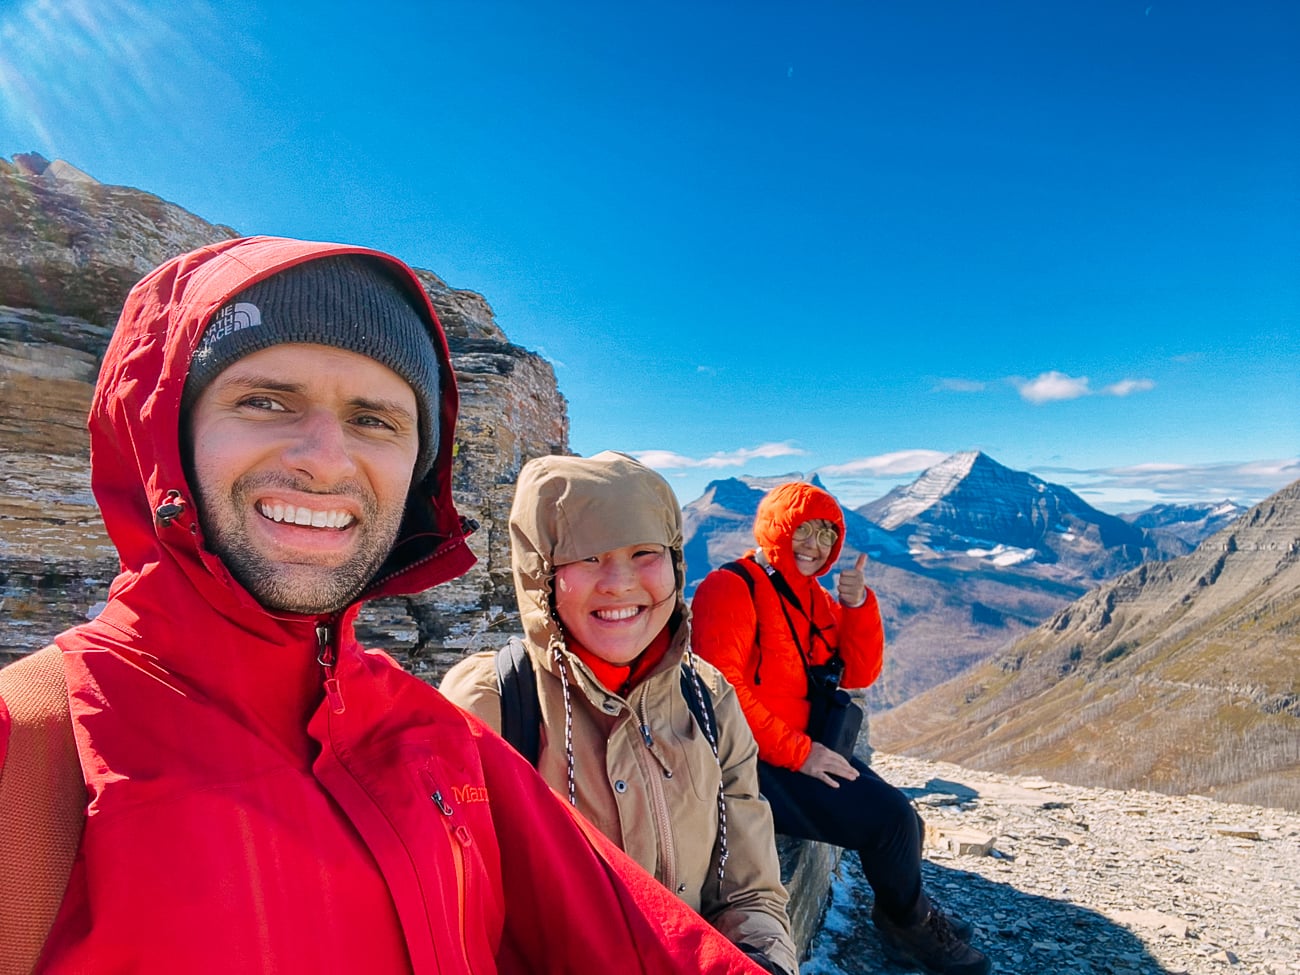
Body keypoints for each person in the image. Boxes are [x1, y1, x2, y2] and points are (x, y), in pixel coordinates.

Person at [0, 236, 768, 974]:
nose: (326, 457)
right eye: (266, 399)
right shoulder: (31, 749)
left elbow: (640, 940)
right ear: (164, 431)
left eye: (375, 419)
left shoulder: (434, 734)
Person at [440, 452, 800, 975]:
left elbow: (749, 890)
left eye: (644, 553)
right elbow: (452, 924)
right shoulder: (491, 705)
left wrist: (765, 963)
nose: (619, 582)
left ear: (675, 563)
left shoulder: (709, 700)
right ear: (541, 572)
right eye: (587, 557)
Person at [690, 481, 991, 975]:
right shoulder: (731, 588)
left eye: (826, 535)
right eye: (802, 532)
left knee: (906, 820)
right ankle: (907, 928)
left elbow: (858, 673)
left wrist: (858, 608)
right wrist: (800, 754)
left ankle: (904, 908)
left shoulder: (810, 596)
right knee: (889, 821)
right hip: (748, 764)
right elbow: (723, 694)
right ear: (776, 531)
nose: (814, 546)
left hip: (801, 748)